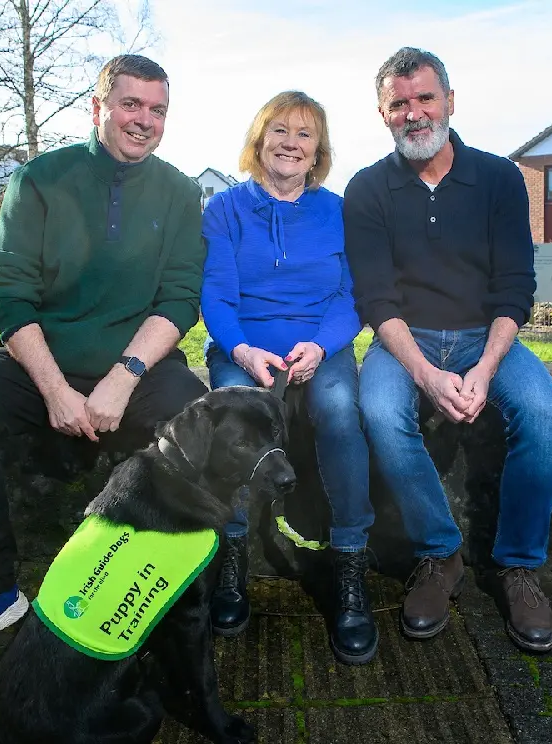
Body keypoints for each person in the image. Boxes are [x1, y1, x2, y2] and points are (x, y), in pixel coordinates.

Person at [0, 54, 208, 665]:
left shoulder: (182, 191)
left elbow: (181, 297)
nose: (145, 121)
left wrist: (122, 379)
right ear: (98, 106)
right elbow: (10, 292)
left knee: (192, 420)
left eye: (158, 110)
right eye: (131, 104)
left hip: (136, 365)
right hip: (43, 360)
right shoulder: (38, 179)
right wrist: (55, 390)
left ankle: (164, 591)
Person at [343, 48, 552, 653]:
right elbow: (376, 299)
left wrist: (485, 367)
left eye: (424, 98)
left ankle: (519, 566)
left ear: (449, 101)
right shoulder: (366, 189)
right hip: (404, 340)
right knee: (381, 413)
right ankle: (440, 554)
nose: (414, 113)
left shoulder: (497, 178)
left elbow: (515, 286)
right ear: (382, 114)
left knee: (544, 414)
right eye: (399, 104)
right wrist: (425, 374)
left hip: (486, 335)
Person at [200, 91, 377, 665]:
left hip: (319, 346)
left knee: (340, 415)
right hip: (243, 345)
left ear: (319, 149)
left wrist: (322, 346)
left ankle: (350, 568)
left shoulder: (339, 210)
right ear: (258, 140)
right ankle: (231, 566)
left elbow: (353, 296)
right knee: (232, 424)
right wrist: (246, 352)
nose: (290, 143)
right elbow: (217, 297)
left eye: (304, 134)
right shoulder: (224, 209)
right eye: (278, 131)